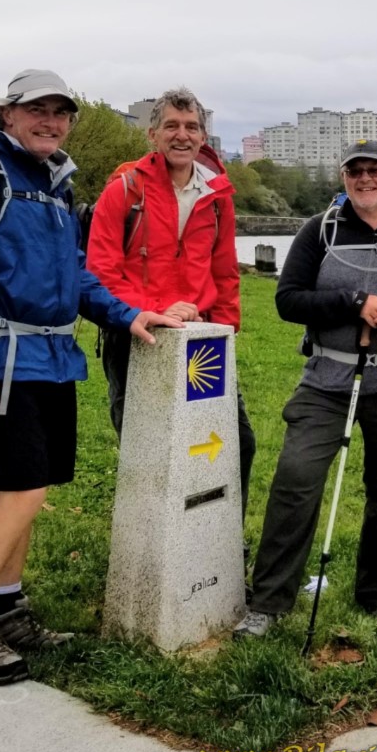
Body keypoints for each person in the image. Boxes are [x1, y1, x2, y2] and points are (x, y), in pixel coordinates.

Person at [0, 68, 179, 686]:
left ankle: (8, 609)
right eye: (36, 109)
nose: (50, 121)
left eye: (60, 112)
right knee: (21, 493)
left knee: (30, 490)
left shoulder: (52, 183)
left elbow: (77, 274)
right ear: (7, 114)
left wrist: (129, 315)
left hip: (51, 361)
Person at [234, 139, 377, 639]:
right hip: (328, 380)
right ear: (344, 178)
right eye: (355, 171)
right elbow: (289, 301)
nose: (365, 179)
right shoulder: (319, 231)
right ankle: (269, 604)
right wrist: (353, 301)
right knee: (295, 481)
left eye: (374, 170)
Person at [84, 87, 255, 515]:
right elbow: (101, 270)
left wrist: (227, 328)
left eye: (192, 127)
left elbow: (224, 269)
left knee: (233, 442)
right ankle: (147, 547)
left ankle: (221, 547)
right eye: (172, 126)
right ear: (153, 134)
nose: (183, 135)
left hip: (201, 338)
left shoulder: (216, 195)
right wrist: (150, 310)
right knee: (145, 447)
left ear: (203, 136)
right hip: (136, 332)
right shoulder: (124, 190)